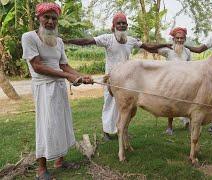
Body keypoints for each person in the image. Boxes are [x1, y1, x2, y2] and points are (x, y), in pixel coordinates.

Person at [65, 12, 171, 141]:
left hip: (127, 79)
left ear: (127, 25)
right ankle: (107, 132)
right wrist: (68, 41)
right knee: (109, 103)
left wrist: (164, 45)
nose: (121, 25)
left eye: (124, 23)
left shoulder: (131, 40)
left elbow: (148, 46)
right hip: (110, 78)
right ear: (113, 26)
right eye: (118, 23)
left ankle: (122, 130)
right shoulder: (107, 38)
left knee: (127, 105)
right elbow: (88, 41)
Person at [21, 2, 94, 179]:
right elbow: (37, 66)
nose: (50, 21)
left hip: (59, 87)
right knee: (46, 125)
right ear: (38, 18)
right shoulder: (29, 37)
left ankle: (60, 161)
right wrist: (66, 76)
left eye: (54, 18)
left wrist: (82, 76)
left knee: (62, 123)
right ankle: (41, 169)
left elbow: (64, 65)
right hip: (44, 88)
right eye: (47, 17)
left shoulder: (58, 41)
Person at [157, 27, 191, 135]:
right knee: (170, 104)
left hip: (185, 82)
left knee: (187, 103)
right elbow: (154, 49)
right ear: (173, 39)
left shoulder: (187, 51)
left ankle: (188, 124)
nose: (180, 40)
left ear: (185, 39)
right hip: (171, 83)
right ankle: (169, 127)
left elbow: (191, 66)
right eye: (177, 38)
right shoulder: (168, 51)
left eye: (182, 38)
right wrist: (163, 45)